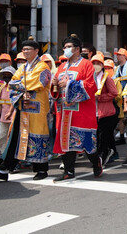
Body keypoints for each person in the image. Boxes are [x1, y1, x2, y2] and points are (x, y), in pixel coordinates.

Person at [0, 37, 52, 181]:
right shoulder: (22, 67)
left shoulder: (42, 67)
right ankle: (6, 168)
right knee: (17, 136)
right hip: (22, 107)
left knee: (37, 136)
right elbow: (13, 82)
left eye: (29, 49)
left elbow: (37, 82)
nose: (26, 51)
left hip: (37, 107)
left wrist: (21, 88)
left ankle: (41, 169)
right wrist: (22, 91)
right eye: (24, 49)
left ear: (36, 51)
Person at [51, 34, 103, 182]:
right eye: (64, 47)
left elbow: (91, 86)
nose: (66, 50)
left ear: (77, 49)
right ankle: (69, 171)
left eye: (69, 47)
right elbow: (56, 89)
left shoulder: (86, 64)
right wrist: (54, 83)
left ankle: (95, 162)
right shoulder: (62, 66)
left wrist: (69, 84)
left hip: (81, 111)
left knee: (87, 143)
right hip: (65, 111)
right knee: (66, 142)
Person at [92, 54, 119, 166]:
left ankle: (101, 158)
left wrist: (100, 98)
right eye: (93, 63)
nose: (96, 66)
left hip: (105, 112)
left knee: (102, 137)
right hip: (94, 112)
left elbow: (114, 93)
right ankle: (106, 153)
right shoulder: (89, 77)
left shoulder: (106, 78)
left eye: (98, 63)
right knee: (97, 137)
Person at [0, 66, 16, 154]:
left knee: (12, 139)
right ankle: (3, 156)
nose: (6, 76)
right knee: (2, 138)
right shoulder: (1, 88)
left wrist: (10, 112)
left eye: (8, 75)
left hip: (13, 117)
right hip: (3, 118)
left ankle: (12, 158)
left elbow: (15, 102)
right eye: (5, 75)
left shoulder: (15, 88)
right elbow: (0, 104)